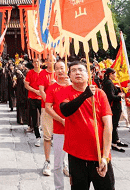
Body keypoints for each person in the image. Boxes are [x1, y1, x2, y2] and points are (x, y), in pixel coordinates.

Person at [57, 60, 114, 190]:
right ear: (69, 76)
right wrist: (84, 95)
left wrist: (105, 156)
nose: (77, 72)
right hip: (76, 155)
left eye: (81, 70)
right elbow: (65, 111)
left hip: (99, 155)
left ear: (89, 74)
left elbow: (108, 126)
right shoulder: (65, 92)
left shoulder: (100, 94)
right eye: (73, 70)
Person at [45, 60, 71, 189]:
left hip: (75, 128)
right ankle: (59, 187)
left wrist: (70, 85)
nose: (60, 71)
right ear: (54, 71)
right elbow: (48, 107)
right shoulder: (52, 87)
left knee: (76, 163)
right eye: (57, 69)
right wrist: (60, 120)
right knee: (57, 163)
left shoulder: (74, 86)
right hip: (59, 129)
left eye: (62, 68)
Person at [101, 68, 128, 153]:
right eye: (114, 74)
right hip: (113, 107)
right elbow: (110, 96)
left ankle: (117, 140)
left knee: (115, 124)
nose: (115, 75)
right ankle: (113, 143)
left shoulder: (110, 82)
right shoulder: (108, 83)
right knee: (113, 124)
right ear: (110, 74)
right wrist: (120, 96)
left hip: (116, 106)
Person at [38, 54, 57, 174]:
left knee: (61, 137)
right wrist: (49, 104)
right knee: (47, 136)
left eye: (54, 60)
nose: (52, 63)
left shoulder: (61, 73)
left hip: (60, 109)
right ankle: (47, 161)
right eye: (50, 60)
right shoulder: (43, 74)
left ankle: (62, 162)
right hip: (47, 108)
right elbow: (41, 90)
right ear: (46, 62)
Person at [24, 58, 43, 147]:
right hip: (32, 98)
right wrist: (35, 91)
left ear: (41, 63)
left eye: (38, 62)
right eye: (34, 62)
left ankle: (48, 136)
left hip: (43, 98)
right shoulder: (30, 73)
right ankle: (37, 137)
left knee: (46, 118)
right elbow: (26, 85)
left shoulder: (44, 73)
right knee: (35, 118)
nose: (36, 63)